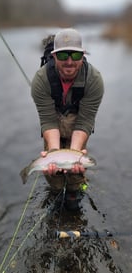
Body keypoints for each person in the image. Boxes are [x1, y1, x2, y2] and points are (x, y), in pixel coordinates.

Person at [31, 28, 104, 201]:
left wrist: (75, 153)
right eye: (63, 56)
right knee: (53, 175)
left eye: (76, 56)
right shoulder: (41, 80)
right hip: (53, 123)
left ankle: (73, 194)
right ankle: (56, 193)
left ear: (83, 55)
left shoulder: (94, 80)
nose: (69, 62)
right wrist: (54, 152)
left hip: (77, 123)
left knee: (75, 177)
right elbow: (48, 121)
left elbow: (85, 122)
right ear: (54, 56)